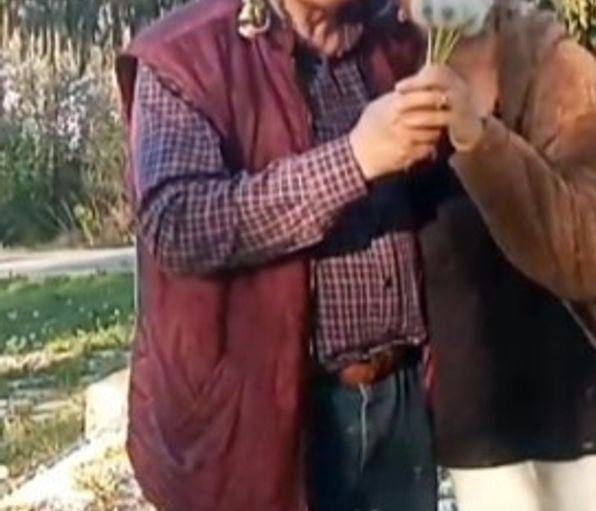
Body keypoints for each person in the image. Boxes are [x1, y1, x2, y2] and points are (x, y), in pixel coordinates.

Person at [114, 0, 443, 508]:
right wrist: (354, 159)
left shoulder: (394, 37)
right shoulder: (189, 52)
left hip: (398, 409)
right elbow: (177, 222)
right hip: (262, 425)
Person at [399, 0, 596, 509]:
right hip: (486, 439)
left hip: (593, 424)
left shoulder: (559, 68)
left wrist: (478, 139)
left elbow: (590, 256)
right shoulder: (392, 70)